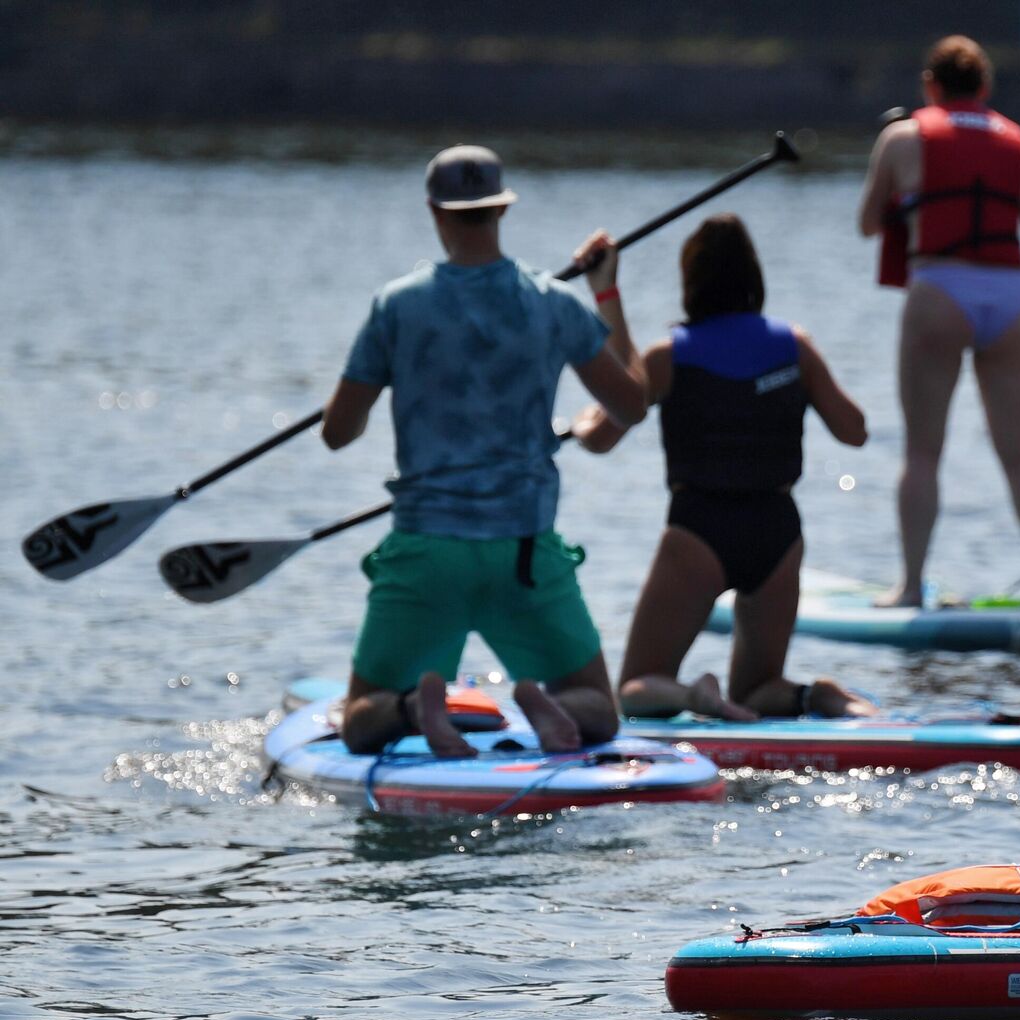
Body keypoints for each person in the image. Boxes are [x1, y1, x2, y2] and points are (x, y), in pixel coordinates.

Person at [320, 144, 650, 758]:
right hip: (523, 552)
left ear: (435, 213)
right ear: (500, 211)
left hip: (427, 550)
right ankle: (549, 704)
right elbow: (631, 405)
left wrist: (377, 385)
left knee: (360, 724)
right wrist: (607, 295)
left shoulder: (397, 305)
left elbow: (338, 433)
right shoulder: (552, 301)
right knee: (601, 713)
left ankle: (415, 707)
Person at [573, 214, 874, 719]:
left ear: (691, 283)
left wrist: (584, 420)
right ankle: (815, 695)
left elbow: (604, 433)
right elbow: (856, 431)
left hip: (700, 530)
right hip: (777, 532)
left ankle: (694, 696)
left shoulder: (669, 356)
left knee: (634, 689)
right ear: (755, 280)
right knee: (759, 692)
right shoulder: (794, 347)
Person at [856, 34, 1020, 607]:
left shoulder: (902, 137)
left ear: (930, 86)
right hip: (1009, 297)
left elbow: (868, 223)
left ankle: (909, 589)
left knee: (923, 453)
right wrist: (1017, 300)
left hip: (939, 291)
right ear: (986, 89)